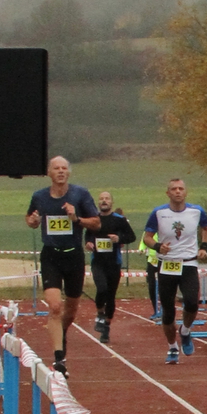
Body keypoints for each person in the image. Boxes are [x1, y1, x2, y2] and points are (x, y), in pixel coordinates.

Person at [25, 155, 101, 376]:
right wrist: (33, 221)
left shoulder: (80, 194)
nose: (60, 171)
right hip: (51, 255)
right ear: (49, 173)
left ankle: (62, 332)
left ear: (69, 172)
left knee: (71, 309)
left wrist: (76, 219)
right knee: (55, 306)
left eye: (64, 168)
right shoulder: (39, 196)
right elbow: (30, 218)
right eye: (56, 168)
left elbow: (96, 223)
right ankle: (59, 358)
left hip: (73, 256)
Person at [142, 178, 207, 367]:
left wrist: (205, 247)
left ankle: (185, 331)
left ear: (186, 192)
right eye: (174, 189)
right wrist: (158, 246)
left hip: (188, 263)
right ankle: (172, 347)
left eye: (181, 188)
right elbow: (147, 237)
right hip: (167, 264)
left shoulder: (196, 211)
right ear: (168, 193)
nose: (178, 191)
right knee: (168, 311)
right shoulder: (159, 213)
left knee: (192, 302)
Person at [89, 190, 137, 342]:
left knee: (110, 296)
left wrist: (119, 238)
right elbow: (88, 235)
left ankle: (106, 328)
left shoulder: (119, 220)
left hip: (114, 263)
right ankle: (99, 314)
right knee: (101, 288)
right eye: (101, 199)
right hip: (98, 262)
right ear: (98, 202)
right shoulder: (94, 219)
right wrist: (88, 243)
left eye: (107, 198)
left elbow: (132, 236)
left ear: (111, 202)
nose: (104, 201)